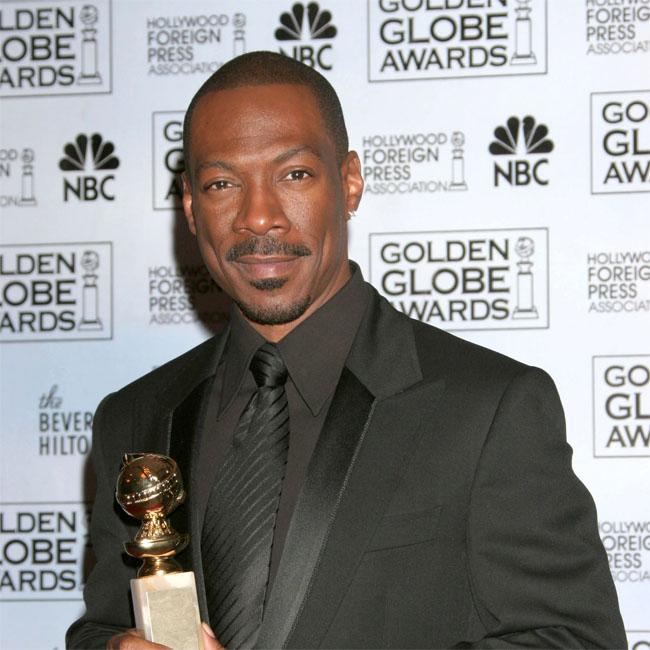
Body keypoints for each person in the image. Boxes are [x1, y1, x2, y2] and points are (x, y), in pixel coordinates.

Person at [67, 51, 626, 650]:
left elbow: (577, 640)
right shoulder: (136, 418)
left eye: (294, 175)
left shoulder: (488, 408)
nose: (259, 217)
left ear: (350, 182)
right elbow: (102, 625)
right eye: (223, 184)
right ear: (190, 206)